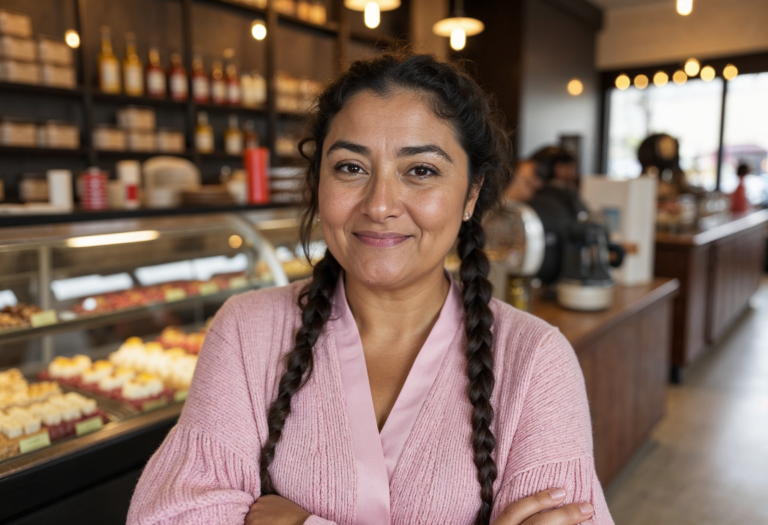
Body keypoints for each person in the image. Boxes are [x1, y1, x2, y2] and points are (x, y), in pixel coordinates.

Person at [128, 53, 613, 525]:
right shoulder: (246, 330)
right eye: (350, 168)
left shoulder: (535, 361)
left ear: (470, 193)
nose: (380, 204)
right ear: (319, 181)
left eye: (421, 170)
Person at [527, 146, 590, 286]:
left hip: (536, 279)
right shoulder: (569, 199)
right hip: (568, 280)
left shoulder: (533, 200)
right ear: (560, 168)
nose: (575, 172)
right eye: (573, 167)